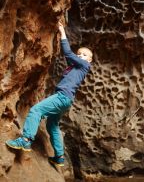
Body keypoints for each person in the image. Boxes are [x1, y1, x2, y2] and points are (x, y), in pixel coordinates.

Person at [6, 22, 93, 166]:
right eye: (80, 54)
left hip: (62, 97)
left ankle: (25, 140)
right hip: (66, 100)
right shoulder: (77, 67)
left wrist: (62, 32)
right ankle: (59, 157)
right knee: (52, 125)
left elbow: (68, 53)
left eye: (84, 55)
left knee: (36, 110)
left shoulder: (84, 65)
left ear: (89, 61)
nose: (81, 56)